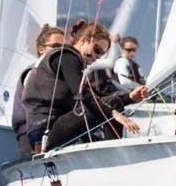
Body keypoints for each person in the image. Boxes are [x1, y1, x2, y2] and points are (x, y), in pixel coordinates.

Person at [23, 20, 148, 154]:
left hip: (46, 131)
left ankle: (112, 152)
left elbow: (97, 96)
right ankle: (115, 154)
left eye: (101, 54)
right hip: (46, 131)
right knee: (113, 103)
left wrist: (130, 97)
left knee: (107, 110)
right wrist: (113, 113)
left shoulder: (69, 60)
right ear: (84, 40)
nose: (97, 57)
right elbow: (82, 94)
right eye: (97, 49)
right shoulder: (67, 57)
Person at [12, 24, 64, 156]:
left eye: (65, 47)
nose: (62, 51)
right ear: (41, 49)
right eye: (57, 47)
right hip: (29, 131)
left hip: (48, 130)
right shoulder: (32, 72)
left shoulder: (55, 73)